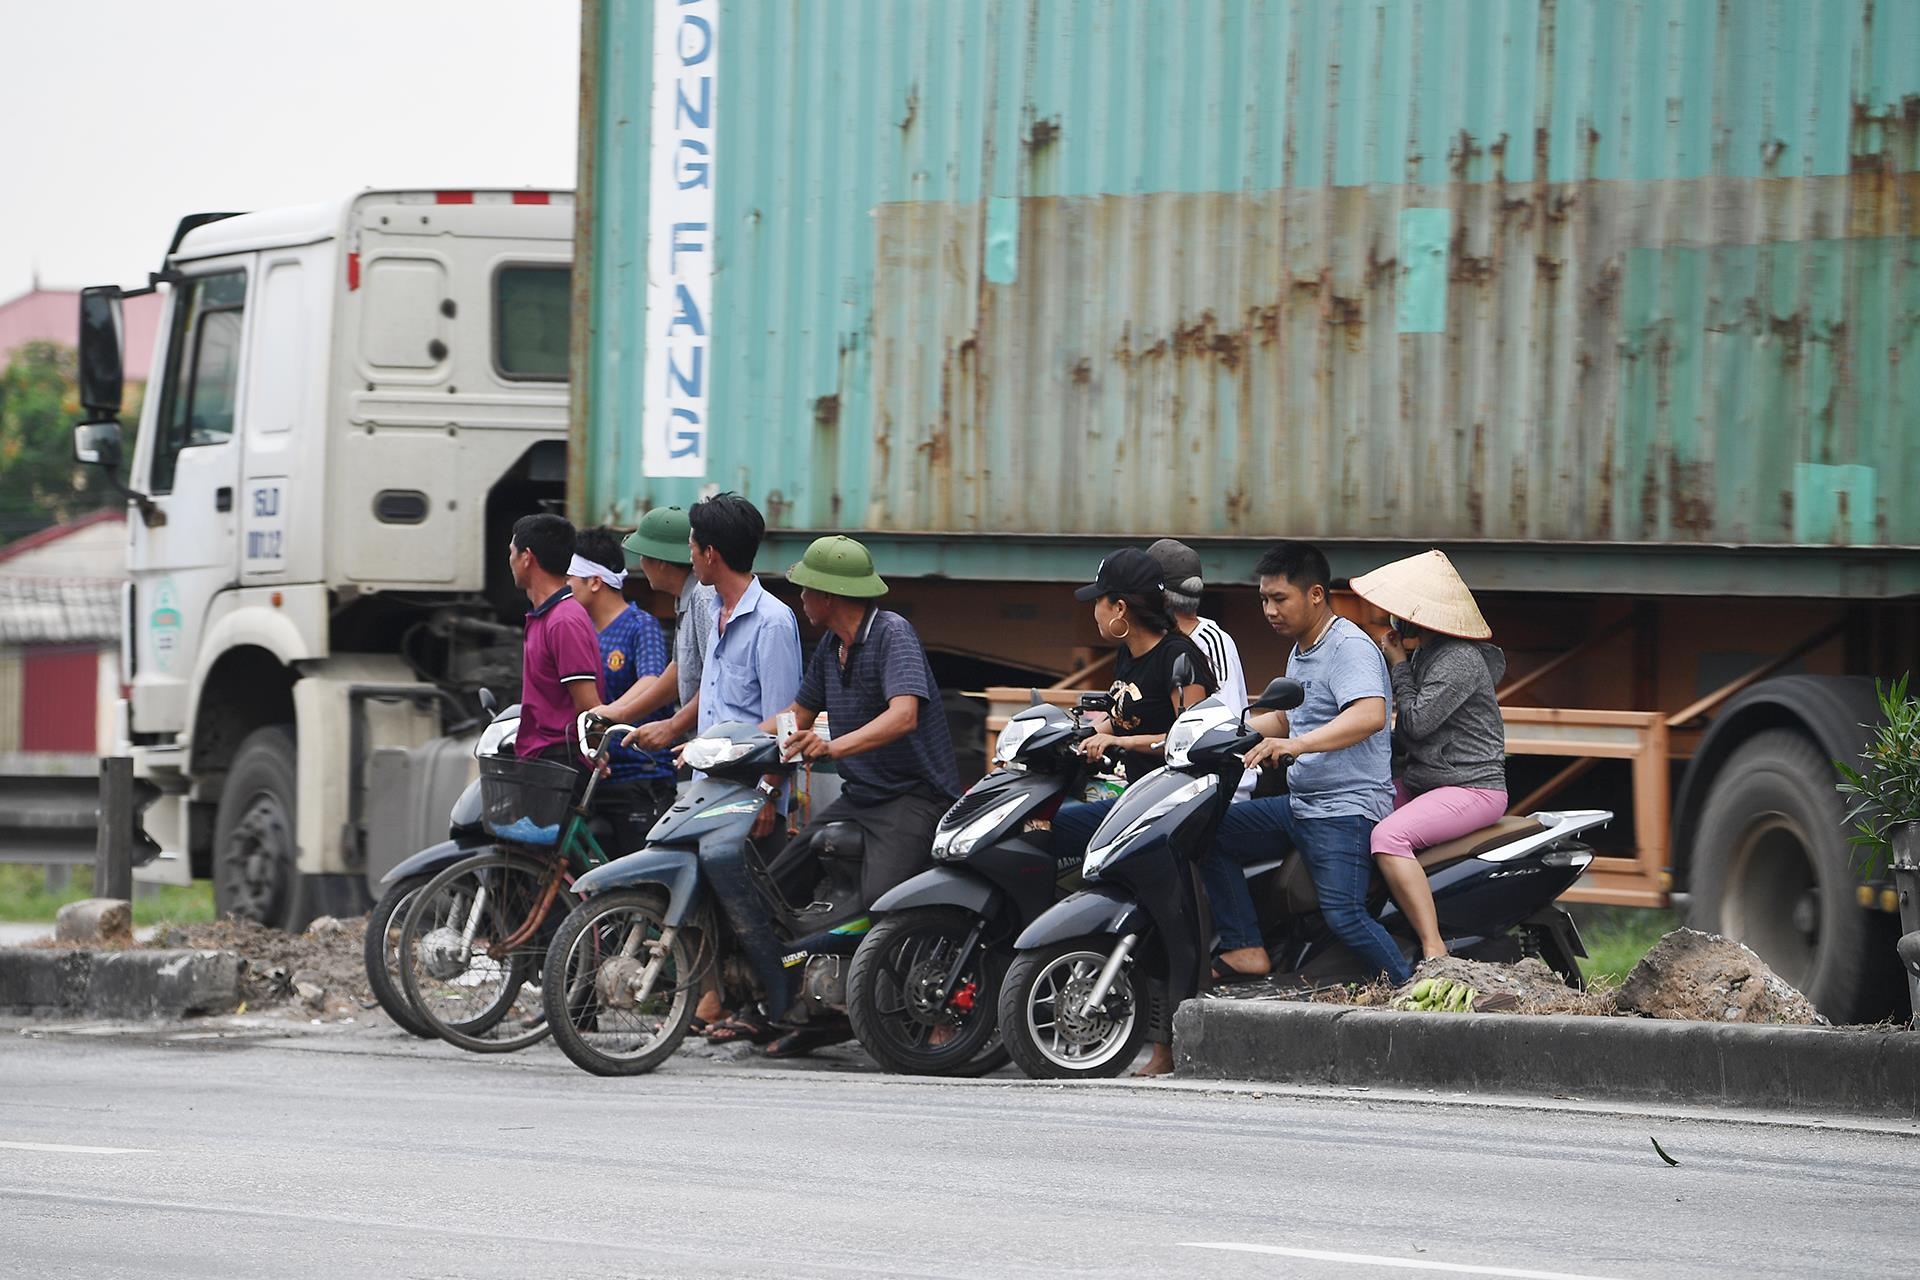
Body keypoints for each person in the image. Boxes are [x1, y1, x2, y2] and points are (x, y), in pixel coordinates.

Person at [754, 535, 963, 1057]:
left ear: (829, 595)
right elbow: (795, 717)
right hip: (861, 795)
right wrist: (725, 744)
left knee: (886, 907)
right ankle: (807, 1008)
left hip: (912, 799)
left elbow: (904, 714)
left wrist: (831, 747)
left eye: (807, 589)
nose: (800, 599)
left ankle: (931, 1015)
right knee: (775, 883)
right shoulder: (832, 647)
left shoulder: (893, 635)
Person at [1201, 541, 1410, 992]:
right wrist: (1218, 731)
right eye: (1263, 600)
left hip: (1345, 808)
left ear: (1315, 594)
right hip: (1301, 805)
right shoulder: (1303, 649)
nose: (1269, 610)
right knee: (1206, 830)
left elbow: (1370, 713)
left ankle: (1416, 1001)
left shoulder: (1348, 646)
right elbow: (1287, 715)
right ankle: (1244, 946)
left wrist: (1295, 746)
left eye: (1279, 599)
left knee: (1345, 916)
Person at [1349, 550, 1509, 962]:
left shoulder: (1459, 660)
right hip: (1427, 782)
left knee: (1388, 837)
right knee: (1354, 810)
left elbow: (1416, 723)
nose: (1393, 622)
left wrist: (1398, 664)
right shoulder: (1427, 655)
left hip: (1470, 787)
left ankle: (1432, 947)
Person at [1046, 548, 1217, 893]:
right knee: (1038, 825)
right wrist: (1079, 736)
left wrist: (1117, 742)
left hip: (1167, 809)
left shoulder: (1178, 659)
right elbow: (1121, 716)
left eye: (1099, 601)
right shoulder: (1129, 651)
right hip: (1135, 795)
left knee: (1054, 830)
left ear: (1120, 608)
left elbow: (1189, 743)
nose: (1094, 611)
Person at [567, 526, 676, 853]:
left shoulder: (640, 625)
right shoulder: (580, 630)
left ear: (595, 582)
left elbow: (652, 680)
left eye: (570, 579)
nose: (564, 587)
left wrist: (607, 716)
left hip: (640, 775)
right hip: (597, 777)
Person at [590, 505, 713, 753]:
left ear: (662, 563)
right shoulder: (685, 602)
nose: (641, 563)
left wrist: (671, 726)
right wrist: (622, 712)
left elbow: (715, 682)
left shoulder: (703, 600)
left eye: (644, 555)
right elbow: (678, 670)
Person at [1147, 537, 1253, 797]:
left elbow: (1223, 727)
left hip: (1219, 791)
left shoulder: (1210, 640)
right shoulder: (1158, 640)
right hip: (1172, 784)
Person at [506, 513, 603, 766]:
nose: (510, 560)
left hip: (559, 761)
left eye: (512, 552)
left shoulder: (563, 621)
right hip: (540, 759)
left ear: (527, 557)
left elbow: (587, 703)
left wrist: (593, 752)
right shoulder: (546, 615)